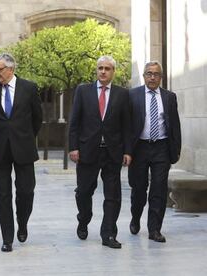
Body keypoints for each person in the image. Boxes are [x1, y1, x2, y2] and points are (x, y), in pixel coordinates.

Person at [68, 55, 131, 249]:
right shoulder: (83, 91)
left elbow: (127, 126)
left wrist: (128, 151)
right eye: (100, 68)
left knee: (113, 195)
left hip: (112, 153)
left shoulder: (122, 94)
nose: (103, 71)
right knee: (84, 192)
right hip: (87, 151)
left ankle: (109, 234)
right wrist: (73, 147)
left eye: (107, 68)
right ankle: (83, 219)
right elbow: (74, 121)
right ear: (96, 70)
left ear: (113, 72)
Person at [0, 53, 43, 252]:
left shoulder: (29, 88)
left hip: (24, 148)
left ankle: (22, 222)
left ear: (11, 69)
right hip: (0, 149)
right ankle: (7, 238)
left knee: (26, 191)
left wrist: (25, 137)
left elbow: (37, 119)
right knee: (2, 195)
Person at [128, 61, 181, 243]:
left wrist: (176, 150)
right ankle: (135, 218)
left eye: (156, 74)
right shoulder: (132, 95)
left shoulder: (169, 97)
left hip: (161, 148)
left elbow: (175, 126)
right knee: (139, 189)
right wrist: (126, 151)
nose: (152, 77)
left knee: (159, 189)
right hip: (139, 148)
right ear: (144, 76)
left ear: (161, 77)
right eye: (149, 73)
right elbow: (126, 126)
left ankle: (154, 229)